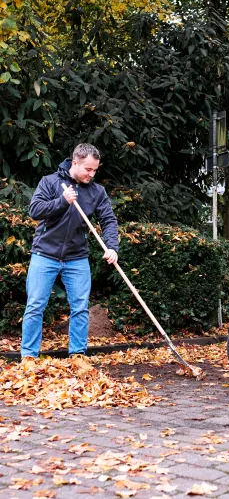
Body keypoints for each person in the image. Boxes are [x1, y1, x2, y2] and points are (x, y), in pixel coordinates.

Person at [21, 143, 119, 363]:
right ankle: (28, 357)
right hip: (44, 254)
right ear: (75, 162)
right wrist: (62, 202)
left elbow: (109, 220)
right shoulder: (50, 182)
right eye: (88, 169)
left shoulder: (96, 191)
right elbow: (35, 210)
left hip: (77, 257)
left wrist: (112, 246)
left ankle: (77, 355)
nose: (91, 174)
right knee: (35, 305)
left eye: (95, 170)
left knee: (80, 308)